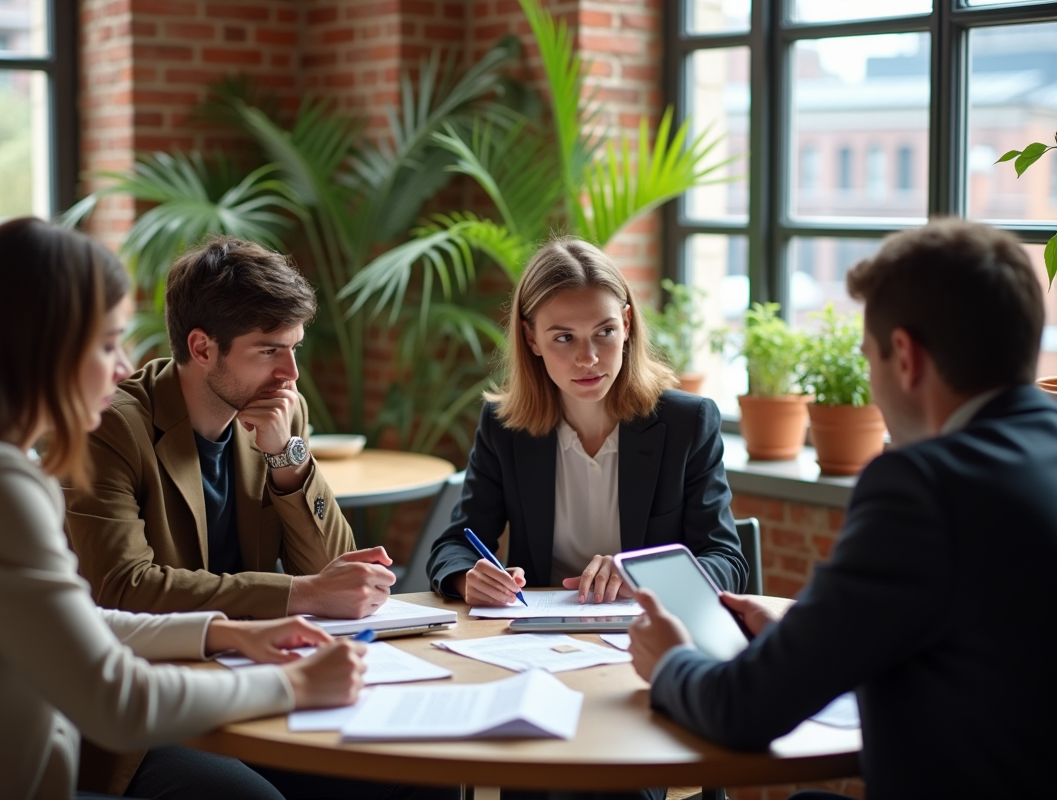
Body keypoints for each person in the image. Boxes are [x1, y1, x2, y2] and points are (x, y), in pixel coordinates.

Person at [0, 218, 368, 800]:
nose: (125, 365)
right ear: (38, 348)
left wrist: (225, 635)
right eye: (106, 344)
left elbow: (80, 619)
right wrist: (294, 685)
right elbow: (114, 696)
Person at [628, 219, 1056, 800]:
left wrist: (671, 660)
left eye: (868, 358)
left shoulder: (922, 488)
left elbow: (741, 713)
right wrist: (806, 644)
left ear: (904, 356)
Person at [62, 236, 396, 624]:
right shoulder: (108, 427)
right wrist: (300, 594)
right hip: (152, 670)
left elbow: (331, 571)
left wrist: (287, 459)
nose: (292, 374)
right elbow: (120, 588)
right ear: (202, 348)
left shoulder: (284, 411)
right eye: (269, 351)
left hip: (254, 657)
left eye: (294, 348)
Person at [427, 237, 747, 608]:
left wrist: (644, 576)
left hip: (652, 635)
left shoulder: (686, 424)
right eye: (564, 338)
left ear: (626, 325)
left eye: (604, 332)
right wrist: (469, 578)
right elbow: (454, 546)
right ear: (532, 339)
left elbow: (726, 562)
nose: (589, 358)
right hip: (538, 639)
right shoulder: (504, 428)